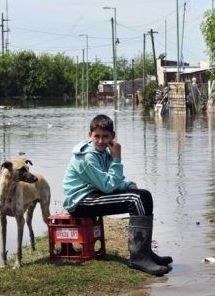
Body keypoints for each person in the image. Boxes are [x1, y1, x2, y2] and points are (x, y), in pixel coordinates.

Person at [62, 114, 172, 275]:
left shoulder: (104, 151)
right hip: (81, 202)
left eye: (105, 136)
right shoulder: (87, 157)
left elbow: (111, 180)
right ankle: (138, 258)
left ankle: (146, 252)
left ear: (113, 136)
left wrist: (128, 185)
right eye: (96, 136)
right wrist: (117, 157)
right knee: (136, 199)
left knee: (143, 195)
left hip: (94, 194)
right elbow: (107, 186)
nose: (100, 140)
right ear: (89, 135)